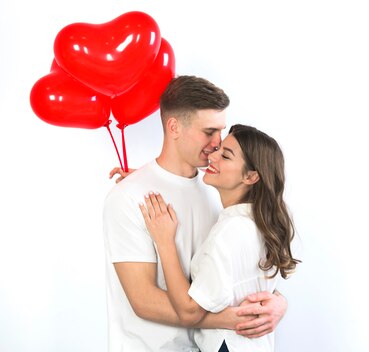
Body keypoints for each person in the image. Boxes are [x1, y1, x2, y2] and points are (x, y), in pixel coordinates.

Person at [103, 76, 288, 352]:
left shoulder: (217, 192)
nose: (217, 143)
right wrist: (231, 319)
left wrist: (278, 302)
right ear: (174, 127)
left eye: (221, 132)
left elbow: (230, 274)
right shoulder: (129, 197)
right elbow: (142, 300)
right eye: (209, 132)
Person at [140, 124, 300, 352]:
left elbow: (189, 312)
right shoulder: (259, 223)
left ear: (251, 176)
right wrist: (144, 184)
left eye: (225, 155)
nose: (212, 156)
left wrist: (164, 242)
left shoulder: (230, 230)